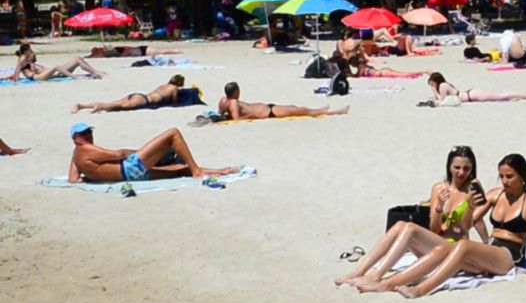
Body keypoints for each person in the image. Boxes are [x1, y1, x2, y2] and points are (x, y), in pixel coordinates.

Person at [366, 153, 526, 298]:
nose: (505, 181)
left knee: (463, 245)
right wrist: (470, 206)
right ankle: (388, 283)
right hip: (490, 251)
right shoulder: (495, 195)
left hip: (510, 255)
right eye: (501, 176)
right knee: (441, 250)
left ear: (522, 176)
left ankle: (421, 289)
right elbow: (468, 224)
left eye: (510, 176)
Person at [338, 146, 487, 288]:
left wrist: (487, 242)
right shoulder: (438, 188)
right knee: (400, 225)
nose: (461, 173)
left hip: (455, 250)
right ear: (449, 167)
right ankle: (359, 271)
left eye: (466, 168)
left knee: (410, 228)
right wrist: (439, 206)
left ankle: (376, 276)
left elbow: (470, 225)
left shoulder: (472, 190)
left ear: (472, 169)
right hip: (435, 246)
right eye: (457, 167)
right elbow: (434, 230)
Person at [67, 123, 235, 183]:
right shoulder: (87, 149)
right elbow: (117, 155)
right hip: (130, 168)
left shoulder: (76, 156)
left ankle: (221, 171)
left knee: (177, 171)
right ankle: (197, 171)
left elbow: (72, 180)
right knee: (173, 133)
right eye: (84, 133)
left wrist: (92, 176)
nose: (89, 135)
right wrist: (137, 152)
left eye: (89, 132)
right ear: (75, 138)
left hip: (129, 178)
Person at [219, 82, 348, 120]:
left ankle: (323, 110)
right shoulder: (234, 102)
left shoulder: (223, 100)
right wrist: (251, 115)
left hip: (269, 109)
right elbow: (236, 119)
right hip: (268, 112)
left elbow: (220, 113)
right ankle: (330, 112)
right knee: (300, 110)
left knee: (294, 107)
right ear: (235, 92)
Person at [72, 76, 188, 114]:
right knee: (118, 106)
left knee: (114, 103)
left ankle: (82, 106)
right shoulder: (174, 88)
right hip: (144, 100)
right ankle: (99, 107)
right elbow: (175, 102)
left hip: (139, 95)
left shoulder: (164, 85)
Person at [426, 71, 526, 105]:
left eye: (431, 83)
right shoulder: (444, 84)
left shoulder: (442, 85)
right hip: (471, 94)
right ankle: (524, 95)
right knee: (499, 96)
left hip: (472, 96)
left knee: (500, 96)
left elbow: (442, 100)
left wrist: (434, 89)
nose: (431, 85)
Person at [9, 43, 103, 81]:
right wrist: (15, 81)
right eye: (30, 50)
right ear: (26, 51)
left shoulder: (27, 59)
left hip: (52, 74)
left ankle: (95, 71)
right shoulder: (22, 58)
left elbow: (26, 66)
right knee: (56, 66)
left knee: (77, 58)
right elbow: (17, 69)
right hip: (36, 77)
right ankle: (75, 77)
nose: (31, 51)